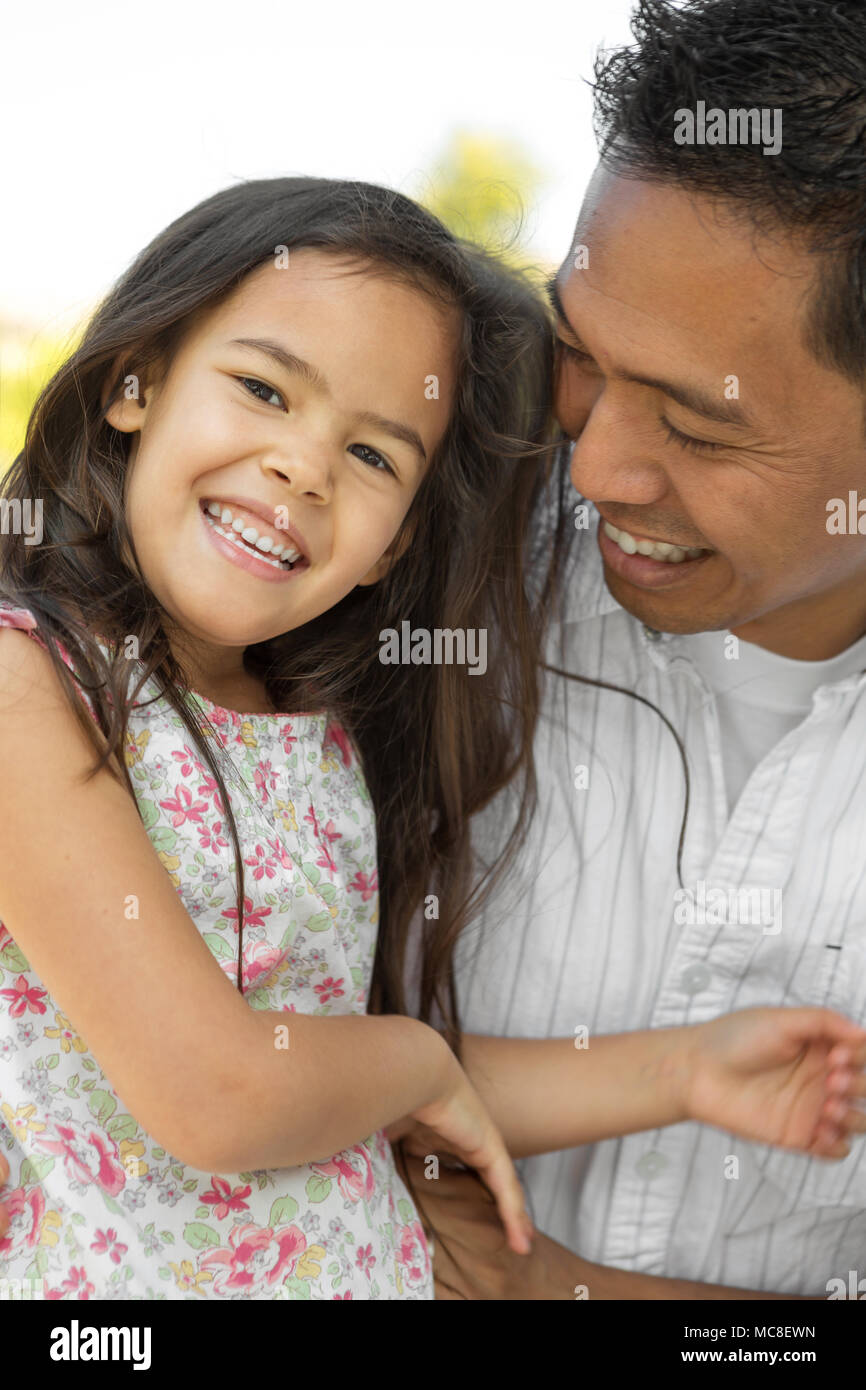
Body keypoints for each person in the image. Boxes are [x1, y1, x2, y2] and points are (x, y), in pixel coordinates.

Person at [0, 174, 863, 1301]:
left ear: (394, 544)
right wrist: (412, 1060)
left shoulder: (313, 729)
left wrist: (684, 1068)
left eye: (373, 457)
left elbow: (338, 1071)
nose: (302, 466)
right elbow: (226, 1092)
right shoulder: (34, 684)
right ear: (133, 382)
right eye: (263, 388)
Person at [406, 0, 866, 1300]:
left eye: (696, 428)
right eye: (578, 356)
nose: (594, 467)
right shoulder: (401, 579)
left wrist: (558, 1292)